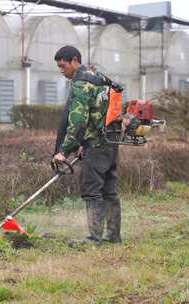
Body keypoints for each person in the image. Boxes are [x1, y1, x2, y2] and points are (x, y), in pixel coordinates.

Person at [52, 45, 122, 246]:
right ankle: (113, 236)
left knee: (92, 190)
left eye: (63, 66)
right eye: (59, 67)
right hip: (111, 141)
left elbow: (78, 121)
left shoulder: (82, 84)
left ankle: (94, 239)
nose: (62, 71)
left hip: (96, 145)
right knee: (109, 191)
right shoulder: (100, 78)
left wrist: (64, 151)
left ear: (75, 60)